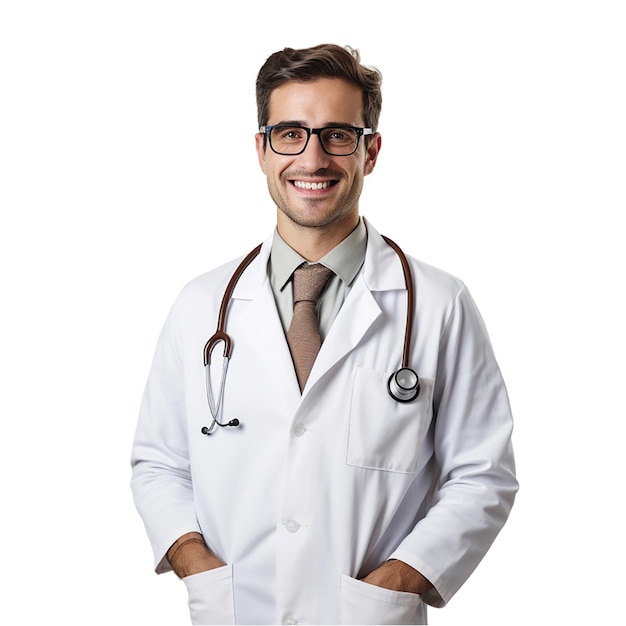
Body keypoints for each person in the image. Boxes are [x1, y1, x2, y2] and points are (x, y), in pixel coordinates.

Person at [131, 43, 518, 625]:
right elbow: (158, 463)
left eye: (338, 134)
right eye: (290, 133)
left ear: (372, 150)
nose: (313, 159)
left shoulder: (439, 305)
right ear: (261, 150)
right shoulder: (201, 306)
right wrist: (199, 566)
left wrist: (396, 582)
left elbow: (483, 475)